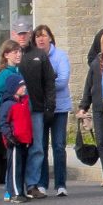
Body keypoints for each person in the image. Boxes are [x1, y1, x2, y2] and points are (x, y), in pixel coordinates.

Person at [10, 16, 56, 200]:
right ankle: (15, 186)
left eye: (25, 33)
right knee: (17, 148)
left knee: (37, 148)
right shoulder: (10, 55)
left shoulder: (40, 54)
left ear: (30, 34)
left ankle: (32, 184)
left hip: (36, 108)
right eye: (19, 33)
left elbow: (49, 82)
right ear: (14, 34)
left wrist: (49, 106)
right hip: (16, 110)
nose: (22, 37)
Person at [32, 25, 71, 196]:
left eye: (44, 36)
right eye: (38, 36)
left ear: (50, 38)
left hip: (59, 107)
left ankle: (61, 184)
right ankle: (41, 183)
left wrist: (43, 85)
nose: (41, 39)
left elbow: (62, 81)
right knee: (40, 146)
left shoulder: (60, 56)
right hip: (40, 107)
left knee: (59, 146)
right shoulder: (32, 57)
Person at [0, 41, 31, 203]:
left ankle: (16, 189)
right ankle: (12, 191)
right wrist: (10, 104)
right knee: (13, 160)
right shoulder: (4, 75)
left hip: (21, 123)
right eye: (14, 52)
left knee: (19, 160)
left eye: (19, 51)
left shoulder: (18, 71)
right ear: (6, 55)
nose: (18, 54)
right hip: (11, 124)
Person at [78, 31, 103, 186]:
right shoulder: (96, 63)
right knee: (101, 141)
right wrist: (83, 106)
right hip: (99, 106)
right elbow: (89, 85)